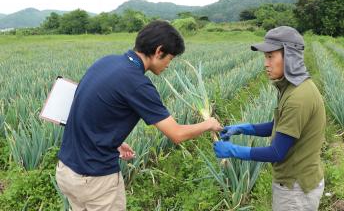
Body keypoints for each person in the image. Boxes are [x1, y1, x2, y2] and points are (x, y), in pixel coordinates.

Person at [56, 20, 222, 211]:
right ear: (159, 51)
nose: (169, 64)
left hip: (66, 172)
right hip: (95, 181)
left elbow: (90, 108)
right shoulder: (137, 84)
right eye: (171, 58)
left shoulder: (106, 61)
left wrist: (114, 142)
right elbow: (176, 134)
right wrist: (208, 124)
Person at [213, 26, 326, 211]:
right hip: (296, 183)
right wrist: (245, 128)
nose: (266, 63)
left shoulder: (298, 97)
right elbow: (280, 127)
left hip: (295, 190)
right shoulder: (293, 88)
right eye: (265, 57)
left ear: (290, 57)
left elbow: (276, 152)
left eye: (270, 56)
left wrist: (233, 150)